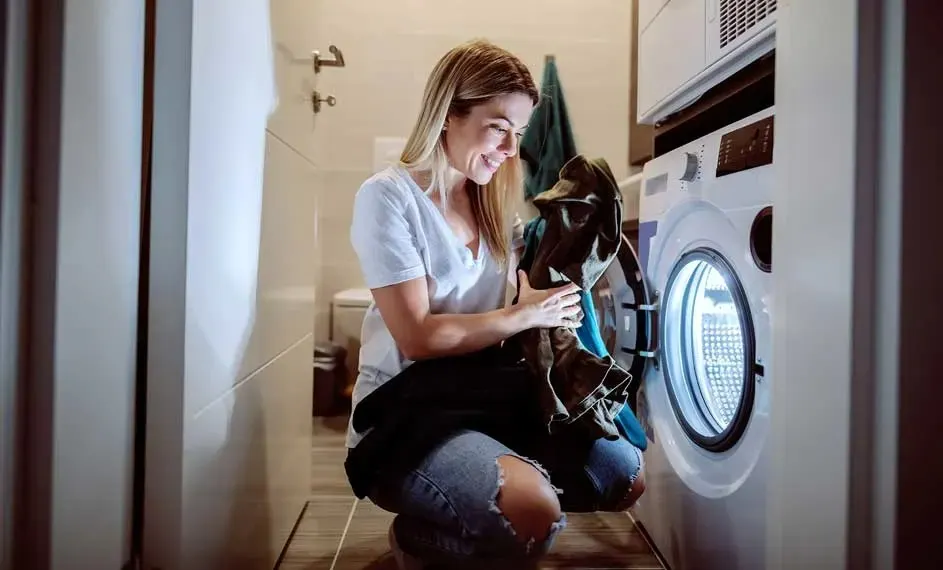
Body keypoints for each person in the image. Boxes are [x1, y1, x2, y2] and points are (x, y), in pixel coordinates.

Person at [347, 39, 645, 569]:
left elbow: (506, 315)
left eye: (520, 133)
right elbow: (418, 336)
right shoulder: (388, 196)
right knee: (534, 515)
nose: (512, 149)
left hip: (482, 395)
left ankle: (492, 490)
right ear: (447, 115)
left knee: (624, 474)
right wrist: (525, 313)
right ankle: (424, 533)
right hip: (405, 412)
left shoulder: (490, 203)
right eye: (498, 127)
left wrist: (542, 306)